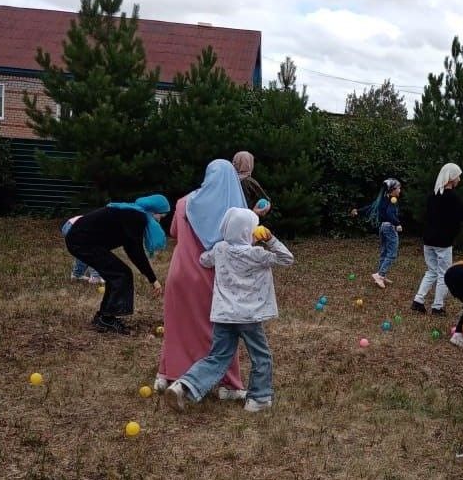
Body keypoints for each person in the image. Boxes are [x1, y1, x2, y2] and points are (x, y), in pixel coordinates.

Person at [164, 207, 294, 413]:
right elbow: (287, 259)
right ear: (249, 231)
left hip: (223, 315)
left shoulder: (220, 249)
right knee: (261, 356)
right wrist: (270, 240)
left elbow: (204, 260)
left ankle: (184, 385)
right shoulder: (257, 254)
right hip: (249, 317)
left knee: (218, 356)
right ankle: (258, 399)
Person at [155, 159, 249, 396]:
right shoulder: (234, 210)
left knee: (176, 325)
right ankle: (229, 384)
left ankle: (167, 374)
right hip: (211, 276)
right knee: (221, 331)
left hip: (179, 272)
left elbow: (175, 232)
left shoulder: (184, 203)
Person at [64, 194, 169, 335]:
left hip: (84, 241)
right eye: (161, 216)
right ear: (153, 211)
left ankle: (104, 316)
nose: (160, 221)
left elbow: (131, 248)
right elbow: (136, 251)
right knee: (121, 274)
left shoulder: (132, 212)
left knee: (118, 273)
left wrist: (151, 278)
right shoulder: (136, 217)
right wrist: (153, 279)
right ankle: (107, 318)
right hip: (82, 242)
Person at [411, 163, 463, 316]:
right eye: (458, 176)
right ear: (452, 177)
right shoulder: (452, 197)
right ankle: (437, 306)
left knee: (431, 271)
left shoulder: (433, 196)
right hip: (443, 242)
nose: (459, 179)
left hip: (428, 241)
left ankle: (418, 300)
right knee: (443, 273)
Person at [350, 178, 402, 289]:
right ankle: (380, 275)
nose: (400, 190)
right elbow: (389, 214)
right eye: (398, 188)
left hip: (383, 228)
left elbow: (370, 207)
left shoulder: (383, 199)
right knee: (392, 254)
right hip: (390, 228)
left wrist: (358, 211)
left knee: (384, 252)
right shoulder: (392, 200)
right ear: (392, 189)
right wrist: (397, 223)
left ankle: (381, 276)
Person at [61, 215, 103, 284]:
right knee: (90, 250)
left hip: (68, 225)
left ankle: (77, 274)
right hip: (73, 226)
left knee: (82, 251)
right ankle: (95, 277)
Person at [232, 151, 271, 217]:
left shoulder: (229, 180)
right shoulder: (248, 181)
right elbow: (265, 200)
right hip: (248, 218)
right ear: (249, 164)